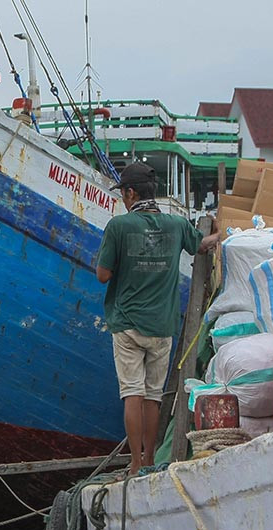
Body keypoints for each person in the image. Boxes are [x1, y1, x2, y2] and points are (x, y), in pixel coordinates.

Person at [95, 162, 219, 474]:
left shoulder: (119, 226)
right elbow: (201, 246)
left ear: (131, 193)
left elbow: (102, 275)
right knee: (153, 397)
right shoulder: (176, 225)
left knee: (132, 394)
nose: (123, 198)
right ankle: (150, 459)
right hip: (162, 327)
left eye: (124, 193)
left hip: (127, 324)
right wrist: (220, 233)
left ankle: (136, 464)